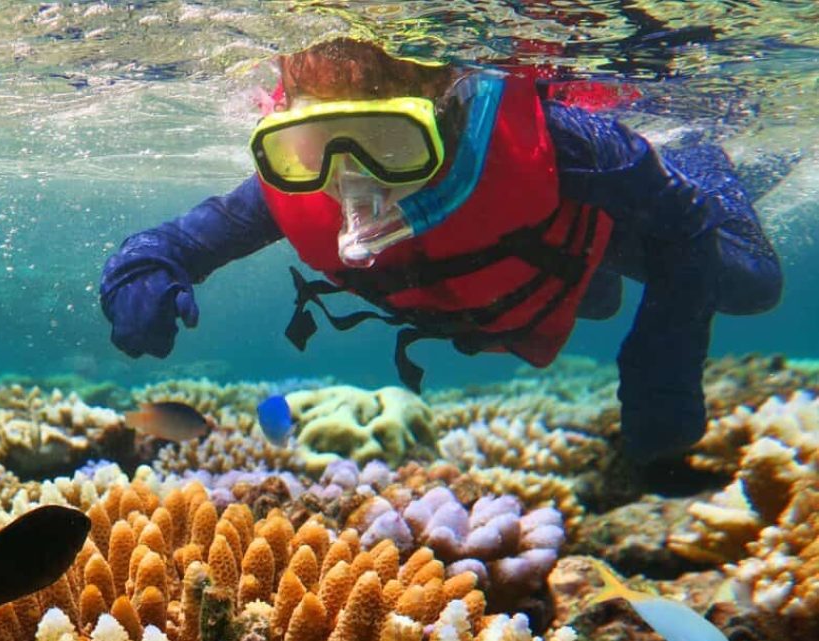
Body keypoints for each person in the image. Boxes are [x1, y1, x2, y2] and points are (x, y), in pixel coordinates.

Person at [98, 37, 782, 464]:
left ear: (450, 112)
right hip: (533, 267)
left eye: (390, 143)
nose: (351, 178)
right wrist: (139, 269)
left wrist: (660, 373)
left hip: (581, 219)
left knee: (750, 284)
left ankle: (700, 154)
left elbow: (683, 226)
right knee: (595, 302)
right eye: (313, 146)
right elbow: (176, 242)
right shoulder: (296, 188)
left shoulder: (566, 143)